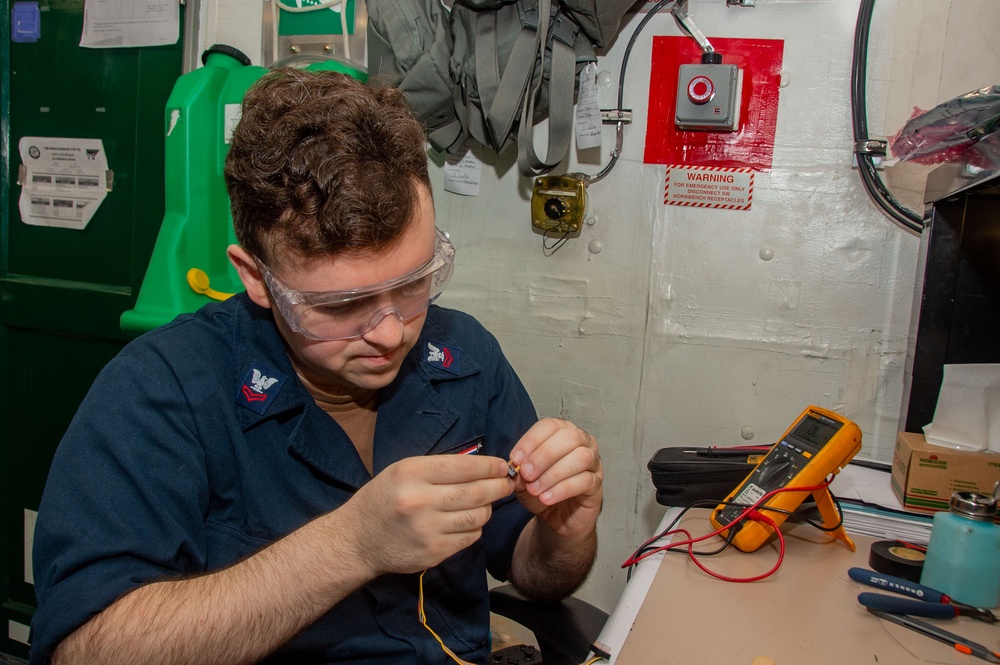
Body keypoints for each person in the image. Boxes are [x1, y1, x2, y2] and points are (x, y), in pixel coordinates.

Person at [29, 68, 603, 665]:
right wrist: (351, 545)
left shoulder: (465, 357)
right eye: (339, 305)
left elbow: (536, 574)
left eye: (413, 283)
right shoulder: (159, 392)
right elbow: (85, 650)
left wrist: (565, 527)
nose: (389, 332)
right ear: (256, 278)